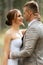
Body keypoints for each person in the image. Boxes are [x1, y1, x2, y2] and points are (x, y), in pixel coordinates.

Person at [10, 1, 43, 65]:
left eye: (24, 13)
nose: (23, 15)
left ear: (30, 12)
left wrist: (11, 54)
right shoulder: (39, 25)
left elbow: (27, 52)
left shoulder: (33, 28)